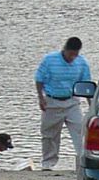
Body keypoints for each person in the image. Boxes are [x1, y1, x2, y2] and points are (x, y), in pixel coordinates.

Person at [35, 36, 91, 170]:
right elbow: (39, 79)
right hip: (52, 101)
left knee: (80, 130)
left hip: (72, 102)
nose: (72, 57)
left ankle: (83, 161)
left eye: (75, 55)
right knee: (49, 134)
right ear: (65, 50)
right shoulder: (50, 60)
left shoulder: (82, 63)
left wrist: (91, 105)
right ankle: (48, 163)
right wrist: (41, 98)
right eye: (71, 54)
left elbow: (86, 85)